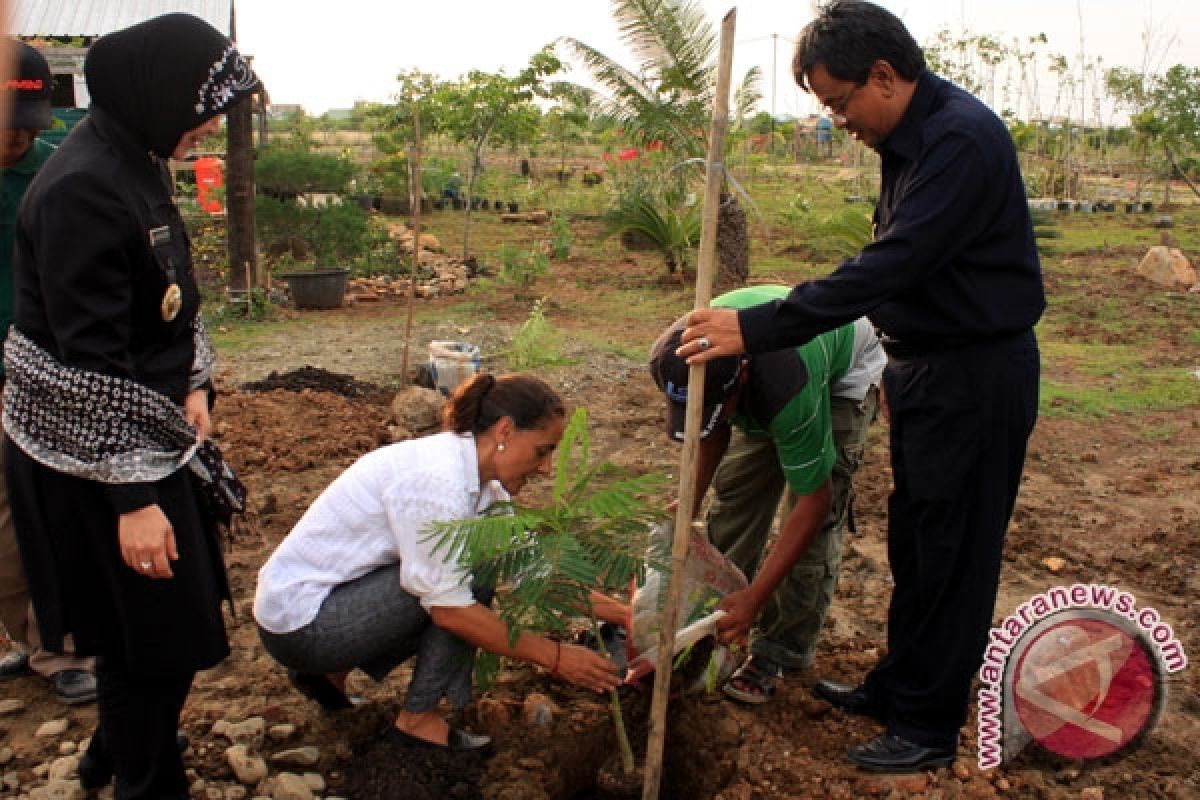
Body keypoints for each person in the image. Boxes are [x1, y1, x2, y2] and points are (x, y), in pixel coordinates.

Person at [677, 0, 1044, 773]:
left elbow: (892, 264)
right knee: (916, 541)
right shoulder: (909, 142)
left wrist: (767, 324)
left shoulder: (959, 141)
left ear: (884, 75)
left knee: (955, 551)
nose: (839, 121)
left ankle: (927, 725)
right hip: (924, 371)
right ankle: (897, 687)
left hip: (974, 374)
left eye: (841, 103)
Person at [3, 14, 259, 797]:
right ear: (156, 92)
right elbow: (90, 365)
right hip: (92, 454)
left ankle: (107, 759)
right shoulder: (83, 189)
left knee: (158, 636)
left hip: (146, 429)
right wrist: (134, 500)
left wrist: (193, 383)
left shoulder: (135, 160)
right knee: (152, 642)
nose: (211, 125)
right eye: (203, 106)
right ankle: (148, 785)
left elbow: (169, 303)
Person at [254, 373, 623, 752]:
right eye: (543, 451)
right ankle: (417, 720)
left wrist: (626, 616)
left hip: (329, 602)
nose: (546, 469)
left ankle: (329, 676)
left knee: (458, 571)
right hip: (302, 624)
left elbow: (531, 571)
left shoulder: (484, 485)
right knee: (467, 580)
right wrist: (557, 657)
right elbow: (450, 611)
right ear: (505, 431)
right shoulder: (435, 482)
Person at [649, 286, 883, 705]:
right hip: (757, 374)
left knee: (810, 532)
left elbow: (813, 501)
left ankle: (779, 649)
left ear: (741, 379)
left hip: (839, 375)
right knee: (735, 502)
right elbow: (711, 427)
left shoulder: (788, 384)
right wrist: (688, 502)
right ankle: (711, 628)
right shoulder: (675, 356)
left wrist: (756, 598)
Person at [0, 40, 98, 705]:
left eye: (25, 129)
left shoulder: (53, 174)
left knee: (44, 507)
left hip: (35, 370)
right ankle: (18, 636)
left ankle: (59, 646)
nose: (17, 142)